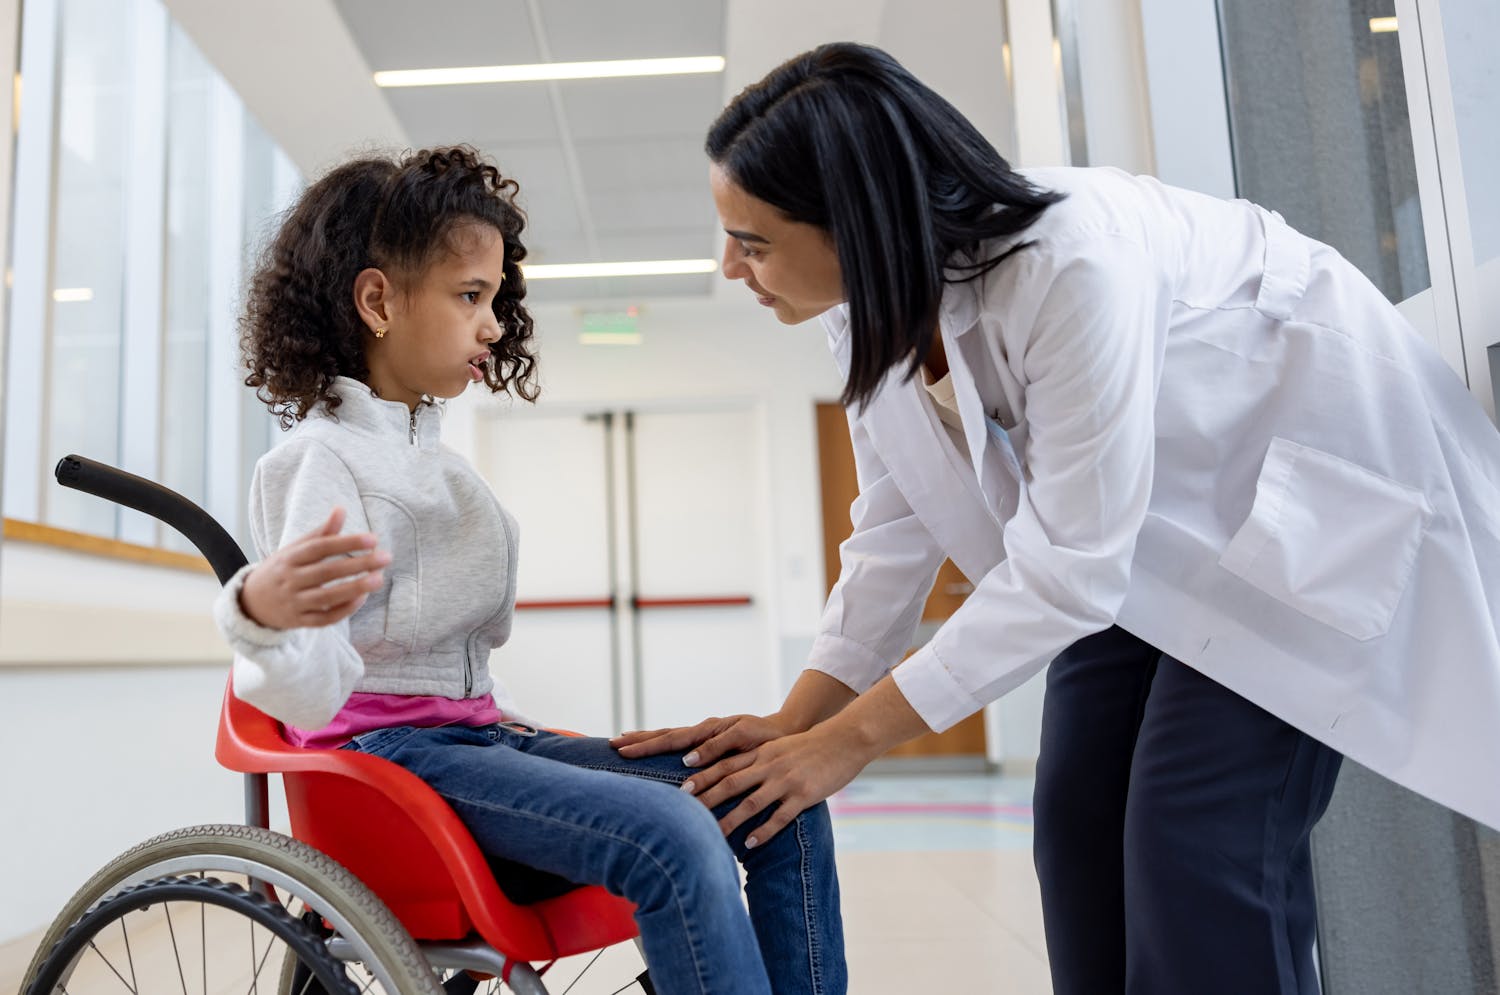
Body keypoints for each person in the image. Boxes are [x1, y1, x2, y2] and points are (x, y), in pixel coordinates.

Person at [612, 42, 1500, 995]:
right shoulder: (869, 309)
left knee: (1196, 840)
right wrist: (793, 726)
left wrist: (848, 742)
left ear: (856, 223)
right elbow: (895, 524)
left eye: (752, 240)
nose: (732, 266)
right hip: (1137, 549)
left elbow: (1071, 568)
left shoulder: (1069, 259)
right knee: (1075, 826)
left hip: (1290, 524)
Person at [212, 145, 845, 995]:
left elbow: (454, 664)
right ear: (377, 300)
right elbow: (309, 693)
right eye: (470, 296)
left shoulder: (441, 465)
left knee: (777, 797)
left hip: (476, 741)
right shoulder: (319, 460)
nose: (494, 324)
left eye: (494, 298)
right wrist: (262, 612)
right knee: (674, 832)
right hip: (393, 767)